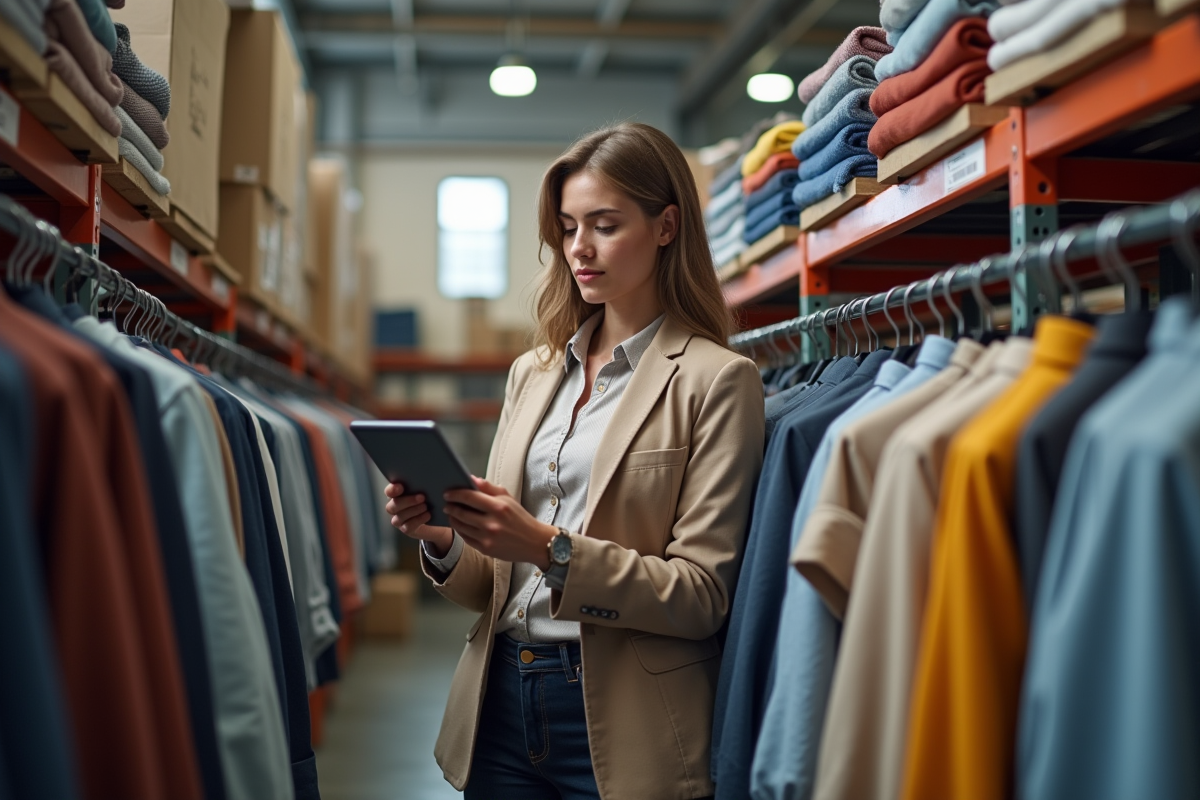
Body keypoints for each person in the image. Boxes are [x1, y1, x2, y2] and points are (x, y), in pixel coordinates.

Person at [383, 122, 765, 799]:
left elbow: (702, 598)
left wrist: (547, 547)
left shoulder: (716, 380)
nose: (578, 249)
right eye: (566, 228)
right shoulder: (531, 374)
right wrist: (443, 536)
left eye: (604, 225)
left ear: (667, 225)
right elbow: (492, 588)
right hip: (499, 700)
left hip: (626, 718)